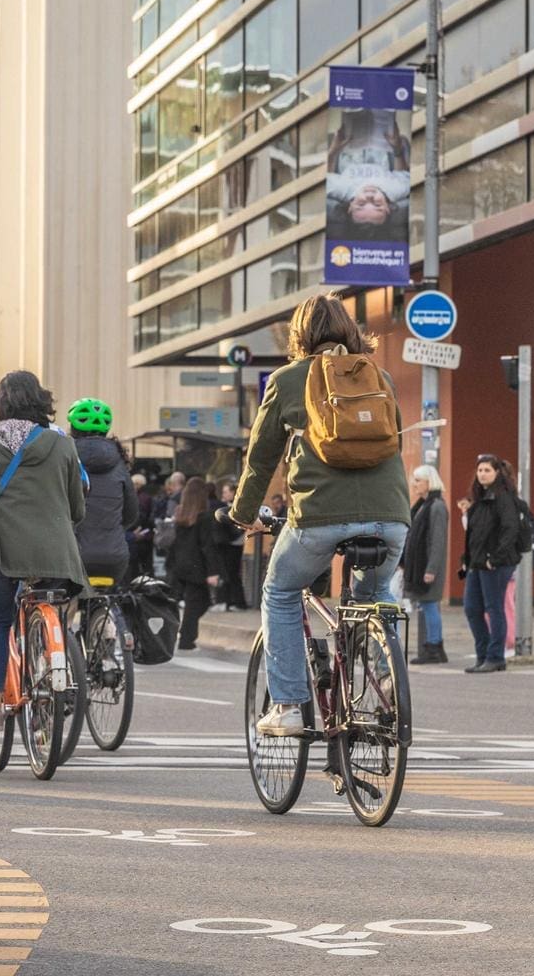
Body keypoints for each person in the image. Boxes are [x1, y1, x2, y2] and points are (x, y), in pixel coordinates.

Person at [229, 295, 409, 737]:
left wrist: (243, 514)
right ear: (349, 330)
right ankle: (386, 669)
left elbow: (261, 457)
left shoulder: (289, 379)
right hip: (391, 516)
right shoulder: (378, 375)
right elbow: (395, 444)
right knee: (376, 592)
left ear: (300, 335)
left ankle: (289, 705)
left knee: (280, 590)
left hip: (321, 515)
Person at [0, 372, 87, 730]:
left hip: (5, 549)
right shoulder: (62, 444)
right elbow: (78, 508)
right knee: (53, 609)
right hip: (57, 553)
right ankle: (49, 664)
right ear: (43, 401)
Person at [456, 455, 521, 674]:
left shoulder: (502, 498)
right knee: (472, 608)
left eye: (487, 470)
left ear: (497, 473)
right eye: (480, 470)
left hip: (495, 564)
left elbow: (510, 530)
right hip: (476, 563)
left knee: (494, 609)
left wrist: (495, 558)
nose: (482, 474)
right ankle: (483, 654)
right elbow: (475, 534)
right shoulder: (480, 498)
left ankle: (495, 657)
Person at [66, 397, 137, 587]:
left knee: (64, 600)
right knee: (109, 604)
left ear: (72, 428)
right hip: (114, 557)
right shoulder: (120, 463)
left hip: (72, 555)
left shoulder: (64, 457)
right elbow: (131, 514)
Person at [166, 477, 225, 650]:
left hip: (179, 564)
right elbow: (207, 546)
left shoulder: (180, 513)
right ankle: (186, 639)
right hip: (196, 566)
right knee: (199, 603)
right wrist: (212, 571)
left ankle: (182, 635)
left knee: (189, 603)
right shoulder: (204, 517)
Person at [402, 464, 449, 665]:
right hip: (421, 566)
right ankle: (434, 647)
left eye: (418, 480)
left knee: (430, 606)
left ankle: (434, 647)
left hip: (428, 567)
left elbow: (437, 541)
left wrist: (431, 569)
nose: (414, 484)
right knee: (427, 606)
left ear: (430, 482)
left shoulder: (436, 506)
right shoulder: (422, 505)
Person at [212, 479, 249, 610]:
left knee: (231, 573)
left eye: (226, 492)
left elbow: (237, 527)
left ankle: (236, 601)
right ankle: (229, 601)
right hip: (229, 543)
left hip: (233, 544)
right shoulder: (225, 506)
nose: (224, 494)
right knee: (228, 573)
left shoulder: (235, 508)